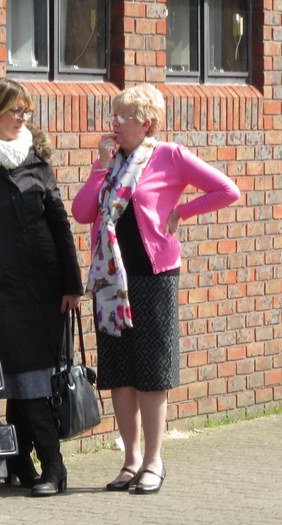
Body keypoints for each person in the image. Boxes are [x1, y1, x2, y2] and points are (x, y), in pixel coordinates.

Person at [72, 83, 240, 494]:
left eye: (123, 116)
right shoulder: (110, 162)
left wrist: (182, 210)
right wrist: (100, 167)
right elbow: (82, 212)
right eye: (113, 115)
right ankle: (130, 461)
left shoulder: (169, 156)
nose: (114, 123)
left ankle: (153, 461)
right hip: (112, 281)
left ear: (146, 123)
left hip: (154, 277)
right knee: (119, 371)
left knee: (151, 370)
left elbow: (227, 190)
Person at [0, 78, 83, 497]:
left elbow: (58, 221)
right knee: (19, 373)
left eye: (27, 111)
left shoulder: (34, 157)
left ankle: (31, 462)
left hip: (45, 284)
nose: (23, 118)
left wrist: (72, 283)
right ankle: (44, 463)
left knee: (34, 375)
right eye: (16, 110)